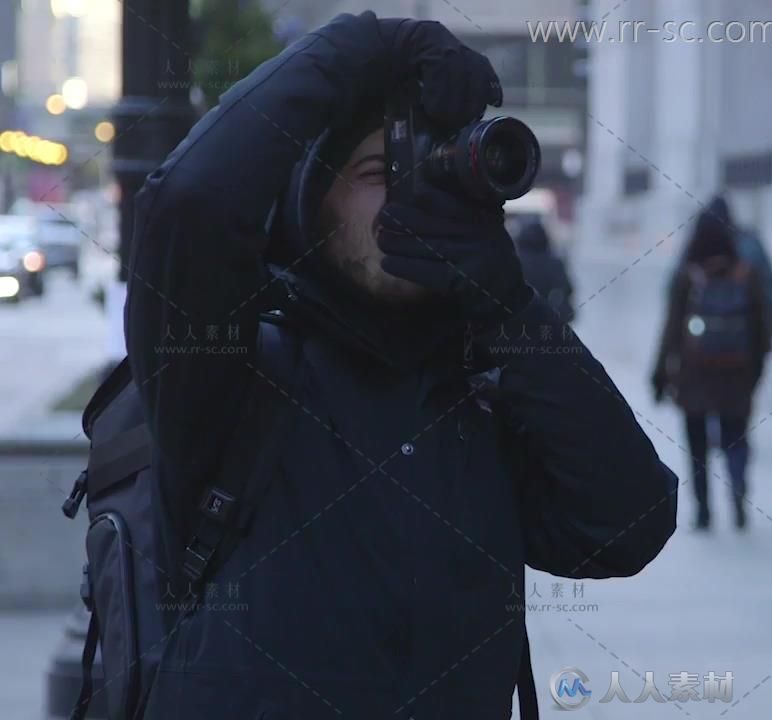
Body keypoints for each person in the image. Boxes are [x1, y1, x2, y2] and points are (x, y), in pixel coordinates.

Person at [123, 12, 676, 718]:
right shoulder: (234, 370)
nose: (413, 202)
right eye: (383, 173)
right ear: (309, 201)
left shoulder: (482, 390)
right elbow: (187, 202)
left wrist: (511, 311)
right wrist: (377, 43)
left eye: (438, 178)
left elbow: (629, 525)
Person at [651, 201, 772, 531]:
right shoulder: (746, 274)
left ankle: (704, 510)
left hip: (694, 376)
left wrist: (660, 372)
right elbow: (764, 327)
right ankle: (738, 496)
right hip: (737, 375)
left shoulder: (688, 276)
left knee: (697, 445)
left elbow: (671, 329)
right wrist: (757, 367)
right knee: (735, 437)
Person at [513, 218, 575, 322]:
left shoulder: (514, 262)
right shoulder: (554, 262)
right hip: (546, 318)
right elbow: (567, 288)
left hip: (518, 318)